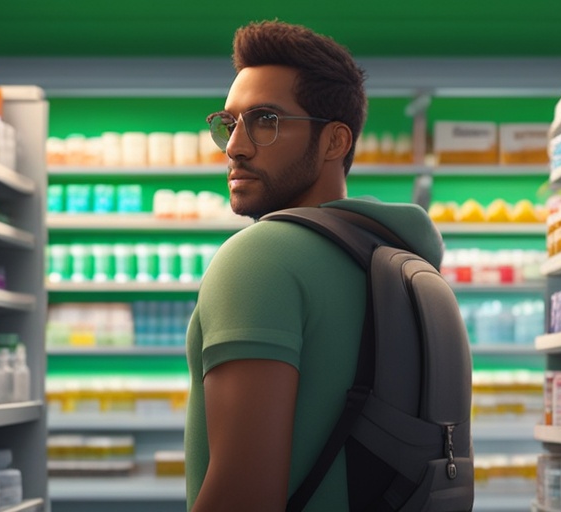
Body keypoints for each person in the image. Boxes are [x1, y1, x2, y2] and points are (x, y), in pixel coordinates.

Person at [184, 20, 445, 511]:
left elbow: (242, 500)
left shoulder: (261, 258)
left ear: (334, 142)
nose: (235, 147)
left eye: (265, 121)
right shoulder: (396, 255)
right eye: (229, 123)